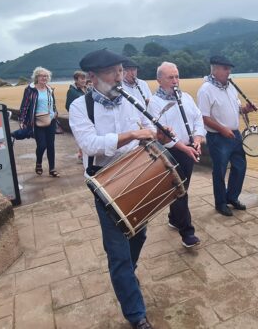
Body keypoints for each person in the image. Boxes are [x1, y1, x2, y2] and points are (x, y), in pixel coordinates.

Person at [69, 49, 160, 329]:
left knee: (139, 234)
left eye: (121, 71)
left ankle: (126, 276)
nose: (120, 77)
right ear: (92, 77)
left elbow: (145, 126)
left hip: (136, 172)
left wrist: (151, 132)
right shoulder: (80, 107)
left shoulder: (129, 100)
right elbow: (91, 145)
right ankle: (135, 314)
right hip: (105, 181)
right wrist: (132, 134)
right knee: (117, 249)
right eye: (113, 72)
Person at [147, 61, 204, 247]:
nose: (175, 80)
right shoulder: (155, 103)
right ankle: (187, 232)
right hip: (170, 152)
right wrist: (183, 147)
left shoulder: (185, 96)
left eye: (177, 76)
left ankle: (173, 218)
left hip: (189, 148)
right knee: (181, 192)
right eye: (170, 77)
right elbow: (161, 133)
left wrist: (197, 139)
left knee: (180, 188)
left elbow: (197, 118)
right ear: (159, 80)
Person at [197, 56, 255, 216]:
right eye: (225, 68)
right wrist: (222, 129)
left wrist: (246, 109)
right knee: (220, 170)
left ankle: (232, 197)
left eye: (229, 69)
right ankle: (220, 203)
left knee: (240, 167)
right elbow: (204, 117)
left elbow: (236, 109)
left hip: (234, 134)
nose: (229, 72)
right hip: (218, 137)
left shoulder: (231, 87)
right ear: (214, 69)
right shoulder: (205, 90)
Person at [18, 66, 59, 177]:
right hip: (36, 121)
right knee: (42, 145)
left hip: (50, 120)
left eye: (46, 76)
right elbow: (25, 106)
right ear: (36, 77)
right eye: (41, 76)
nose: (44, 78)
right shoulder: (30, 90)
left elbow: (52, 103)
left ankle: (52, 168)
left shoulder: (49, 89)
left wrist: (55, 112)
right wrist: (22, 120)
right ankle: (39, 162)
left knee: (51, 145)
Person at [65, 70, 88, 162]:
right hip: (79, 119)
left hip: (88, 117)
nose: (84, 80)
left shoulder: (87, 89)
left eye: (85, 78)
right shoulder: (72, 91)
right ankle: (82, 155)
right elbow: (68, 106)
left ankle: (83, 155)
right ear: (76, 79)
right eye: (81, 78)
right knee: (82, 137)